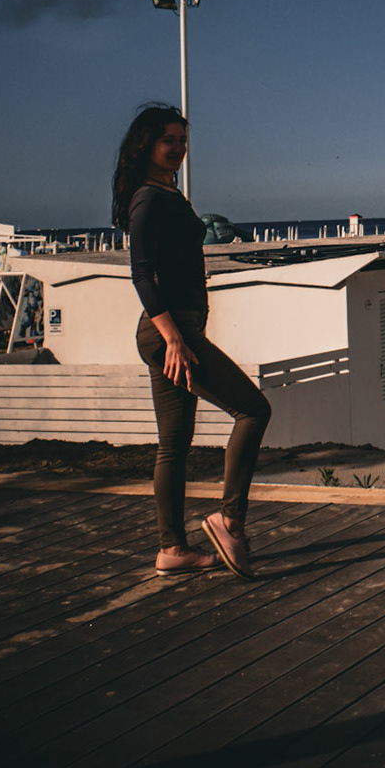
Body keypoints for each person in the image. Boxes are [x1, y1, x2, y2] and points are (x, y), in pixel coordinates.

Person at [113, 103, 271, 579]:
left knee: (174, 445)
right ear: (147, 145)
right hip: (169, 333)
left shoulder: (165, 193)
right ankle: (231, 520)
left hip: (178, 331)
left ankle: (172, 549)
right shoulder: (148, 198)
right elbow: (142, 274)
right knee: (254, 410)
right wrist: (175, 340)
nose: (179, 149)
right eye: (170, 141)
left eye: (183, 141)